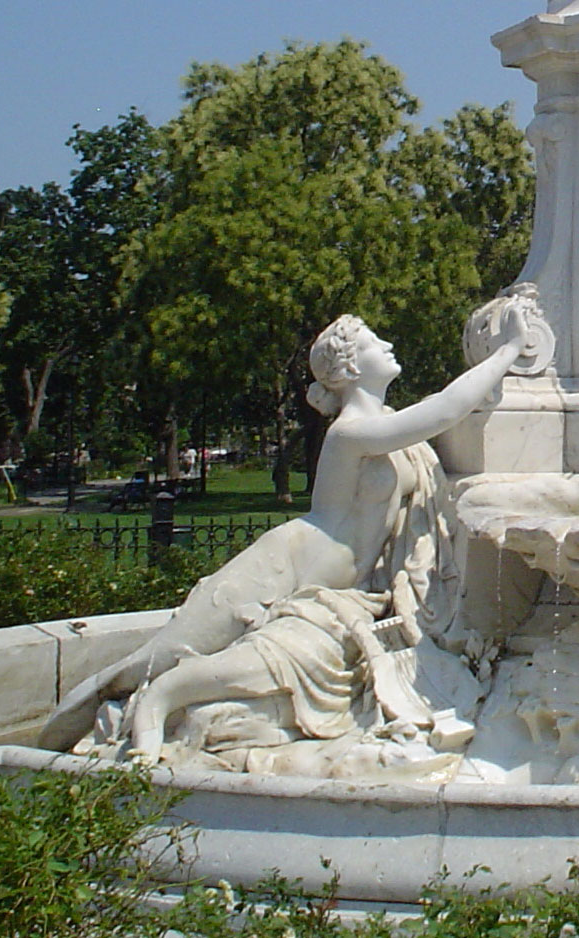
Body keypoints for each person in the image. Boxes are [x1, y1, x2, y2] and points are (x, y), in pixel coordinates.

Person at [45, 306, 529, 753]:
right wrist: (508, 351)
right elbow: (444, 410)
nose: (387, 344)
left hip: (337, 590)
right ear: (352, 368)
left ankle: (159, 702)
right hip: (285, 564)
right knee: (160, 655)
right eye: (374, 341)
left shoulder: (384, 422)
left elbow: (438, 416)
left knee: (215, 659)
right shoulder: (349, 432)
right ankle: (92, 725)